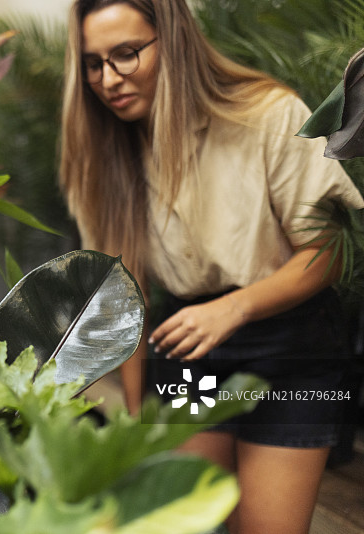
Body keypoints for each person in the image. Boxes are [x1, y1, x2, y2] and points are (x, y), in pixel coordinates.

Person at [59, 0, 364, 532]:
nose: (108, 78)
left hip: (292, 354)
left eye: (126, 54)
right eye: (93, 63)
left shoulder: (270, 114)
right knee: (182, 522)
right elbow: (124, 302)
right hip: (189, 352)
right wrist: (136, 423)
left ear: (172, 40)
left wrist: (232, 308)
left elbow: (327, 254)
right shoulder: (101, 152)